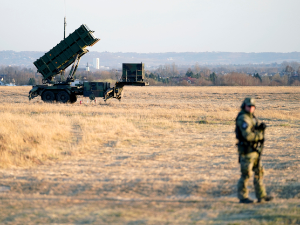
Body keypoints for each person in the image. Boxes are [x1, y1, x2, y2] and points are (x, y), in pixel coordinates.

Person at [235, 97, 273, 203]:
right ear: (244, 106)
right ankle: (243, 197)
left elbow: (253, 131)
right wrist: (259, 135)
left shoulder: (251, 117)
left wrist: (259, 129)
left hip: (254, 150)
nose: (251, 108)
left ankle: (261, 195)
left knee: (259, 172)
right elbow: (247, 135)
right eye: (249, 106)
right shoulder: (243, 118)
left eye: (252, 106)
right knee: (246, 174)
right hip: (247, 151)